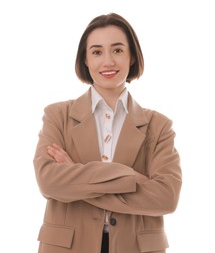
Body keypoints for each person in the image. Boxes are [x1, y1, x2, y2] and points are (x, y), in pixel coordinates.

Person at [33, 13, 182, 253]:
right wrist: (133, 179)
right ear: (85, 60)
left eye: (118, 50)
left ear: (132, 56)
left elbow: (166, 197)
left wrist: (76, 175)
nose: (108, 61)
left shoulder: (159, 126)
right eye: (97, 52)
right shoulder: (57, 116)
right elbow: (49, 181)